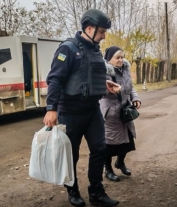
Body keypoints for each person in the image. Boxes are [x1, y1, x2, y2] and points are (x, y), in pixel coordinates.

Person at [43, 9, 120, 207]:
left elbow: (85, 74)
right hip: (70, 112)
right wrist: (51, 108)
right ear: (89, 28)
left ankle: (96, 191)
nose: (104, 36)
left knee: (100, 149)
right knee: (72, 155)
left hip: (92, 109)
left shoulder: (94, 49)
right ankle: (73, 190)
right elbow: (55, 79)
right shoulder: (67, 49)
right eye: (102, 32)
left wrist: (104, 84)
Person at [101, 46, 141, 182]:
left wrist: (135, 98)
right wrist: (110, 90)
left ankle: (120, 162)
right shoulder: (103, 71)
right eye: (117, 57)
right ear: (109, 59)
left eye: (122, 57)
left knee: (127, 139)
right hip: (110, 112)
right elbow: (100, 91)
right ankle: (108, 169)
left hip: (125, 110)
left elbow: (130, 87)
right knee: (109, 143)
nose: (120, 60)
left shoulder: (125, 69)